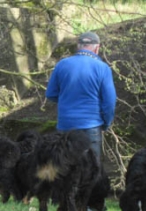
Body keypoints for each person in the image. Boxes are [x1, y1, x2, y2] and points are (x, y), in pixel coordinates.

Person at [45, 31, 116, 163]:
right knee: (92, 170)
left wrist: (66, 99)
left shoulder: (62, 64)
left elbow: (50, 94)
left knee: (65, 168)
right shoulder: (102, 68)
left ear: (78, 46)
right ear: (97, 48)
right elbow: (109, 102)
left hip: (65, 126)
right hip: (91, 126)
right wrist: (106, 123)